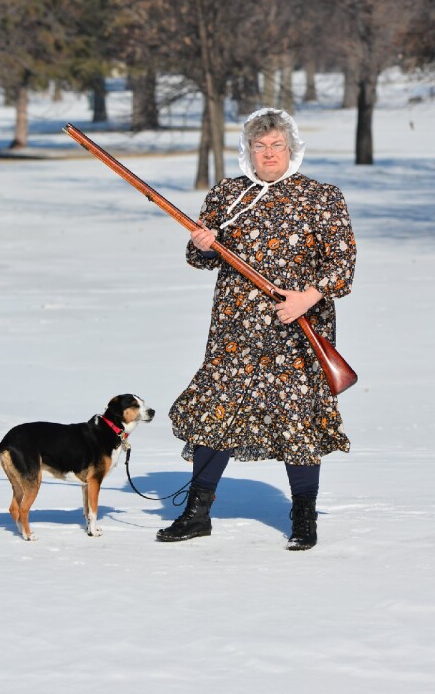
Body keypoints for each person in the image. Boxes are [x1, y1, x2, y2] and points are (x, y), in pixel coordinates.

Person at [158, 107, 357, 551]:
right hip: (235, 330)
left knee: (298, 419)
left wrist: (307, 297)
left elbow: (342, 265)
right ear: (247, 150)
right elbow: (198, 259)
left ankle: (304, 516)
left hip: (297, 329)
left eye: (277, 145)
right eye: (260, 146)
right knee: (217, 411)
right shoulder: (228, 195)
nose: (269, 153)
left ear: (292, 148)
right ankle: (197, 513)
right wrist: (203, 246)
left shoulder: (321, 197)